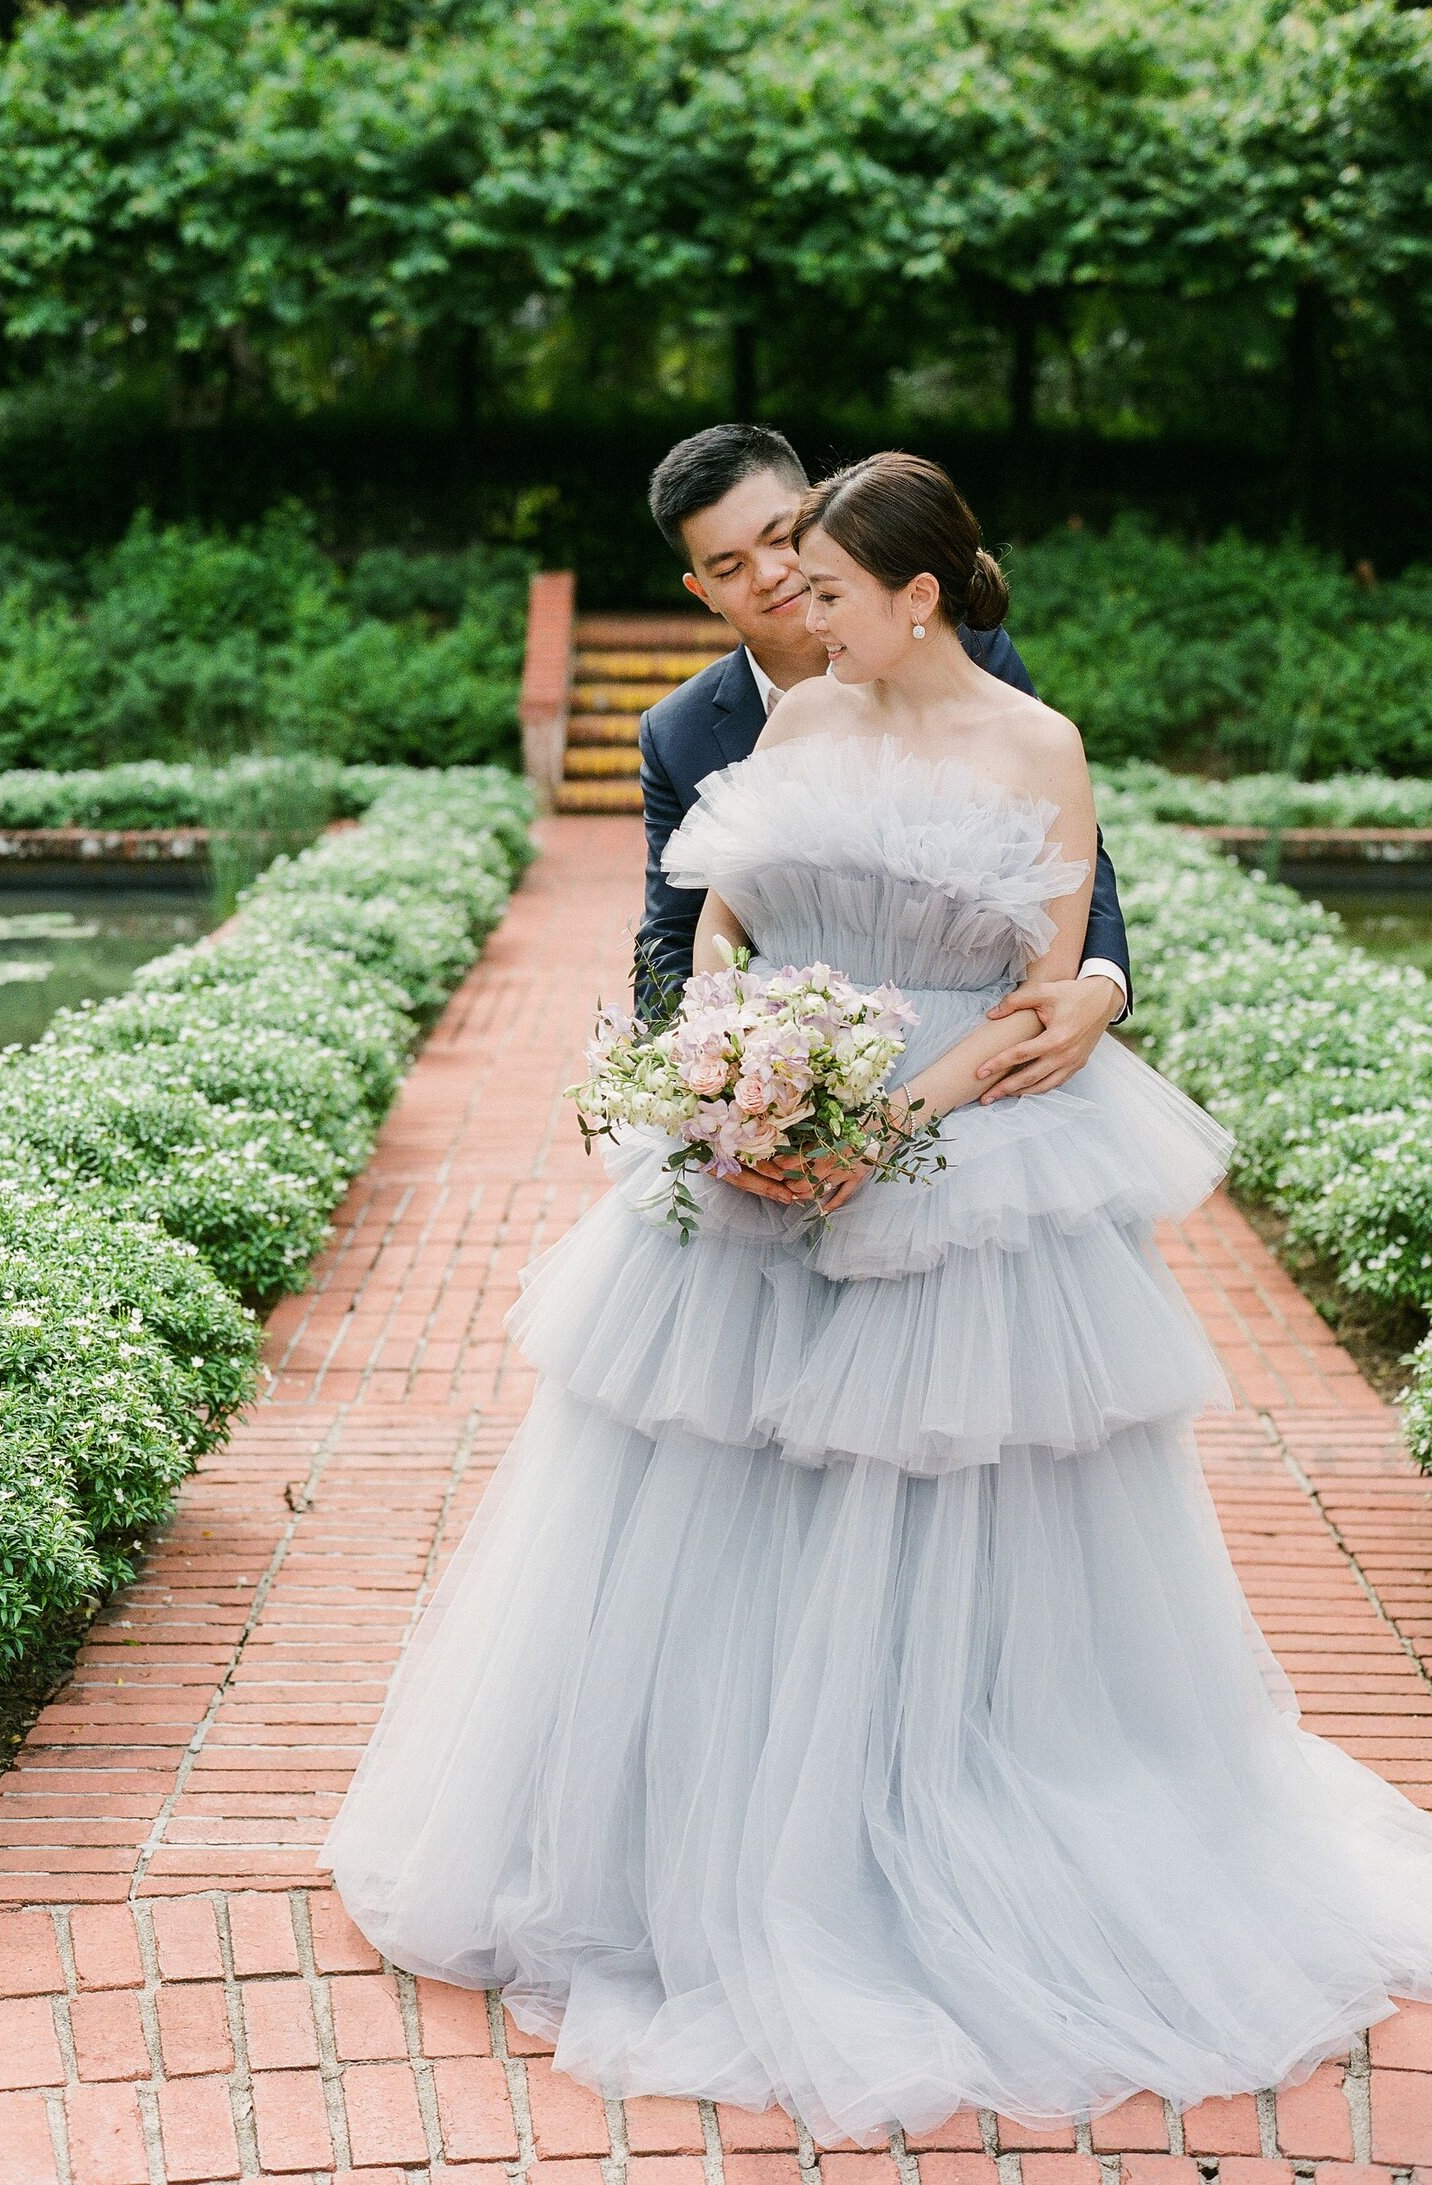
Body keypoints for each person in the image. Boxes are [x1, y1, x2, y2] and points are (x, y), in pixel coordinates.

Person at [320, 451, 1432, 2141]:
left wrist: (884, 1121)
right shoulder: (768, 722)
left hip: (962, 1150)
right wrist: (723, 1089)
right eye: (747, 569)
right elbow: (710, 923)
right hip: (772, 1140)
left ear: (907, 590)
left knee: (944, 1494)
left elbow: (1053, 970)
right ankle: (716, 1826)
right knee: (723, 1485)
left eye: (810, 564)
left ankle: (933, 1806)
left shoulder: (1028, 732)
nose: (784, 592)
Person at [634, 427, 1128, 1146]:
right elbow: (683, 929)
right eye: (730, 566)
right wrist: (721, 1076)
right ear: (700, 589)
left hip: (963, 1097)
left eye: (780, 540)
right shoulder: (686, 731)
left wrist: (1101, 983)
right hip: (783, 1081)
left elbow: (1057, 864)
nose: (776, 578)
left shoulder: (975, 660)